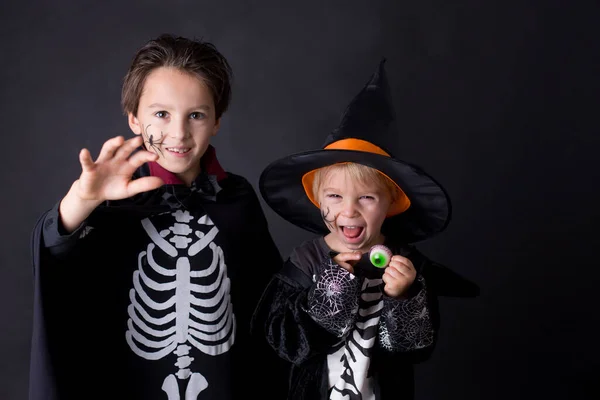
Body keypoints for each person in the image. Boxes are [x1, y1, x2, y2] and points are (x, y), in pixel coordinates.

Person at [29, 34, 288, 400]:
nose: (178, 134)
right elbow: (56, 255)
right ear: (134, 118)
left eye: (196, 115)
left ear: (216, 121)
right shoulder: (108, 203)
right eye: (161, 114)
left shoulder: (237, 199)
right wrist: (82, 200)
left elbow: (269, 310)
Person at [253, 60, 478, 399]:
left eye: (367, 197)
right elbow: (279, 341)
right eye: (335, 196)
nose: (349, 210)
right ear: (317, 200)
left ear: (392, 203)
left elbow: (417, 351)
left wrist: (405, 297)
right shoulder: (304, 263)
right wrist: (332, 292)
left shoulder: (406, 265)